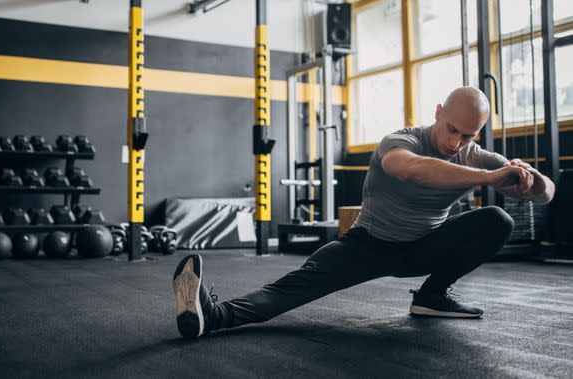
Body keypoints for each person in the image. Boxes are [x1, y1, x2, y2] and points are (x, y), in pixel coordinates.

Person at [171, 86, 556, 340]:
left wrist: (530, 178)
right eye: (452, 130)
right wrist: (489, 175)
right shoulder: (401, 140)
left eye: (469, 136)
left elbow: (546, 195)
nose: (457, 143)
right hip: (367, 245)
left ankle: (432, 296)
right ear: (437, 112)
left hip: (424, 246)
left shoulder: (474, 157)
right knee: (289, 290)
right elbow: (411, 169)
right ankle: (212, 315)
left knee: (496, 221)